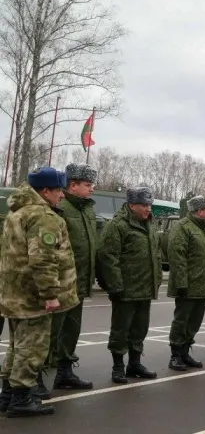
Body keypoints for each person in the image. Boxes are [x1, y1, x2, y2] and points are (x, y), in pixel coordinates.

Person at [0, 167, 78, 417]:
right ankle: (22, 398)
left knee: (16, 345)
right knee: (32, 347)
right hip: (33, 297)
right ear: (45, 191)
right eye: (58, 191)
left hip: (15, 294)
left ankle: (8, 395)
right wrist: (50, 294)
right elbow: (43, 259)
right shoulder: (43, 216)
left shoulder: (16, 212)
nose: (62, 196)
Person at [99, 186, 162, 384]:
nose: (148, 209)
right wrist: (115, 286)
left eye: (150, 205)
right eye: (144, 205)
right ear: (132, 205)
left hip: (145, 288)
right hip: (125, 289)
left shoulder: (150, 225)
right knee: (120, 330)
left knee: (139, 329)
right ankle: (118, 366)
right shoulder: (118, 225)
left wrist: (157, 279)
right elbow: (108, 257)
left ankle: (134, 363)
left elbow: (156, 254)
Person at [48, 163, 98, 392]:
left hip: (79, 282)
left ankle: (64, 372)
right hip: (60, 283)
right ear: (72, 185)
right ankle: (35, 380)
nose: (92, 189)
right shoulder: (60, 207)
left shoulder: (86, 209)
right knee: (50, 331)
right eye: (87, 185)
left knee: (71, 330)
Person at [166, 195, 205, 371]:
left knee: (195, 321)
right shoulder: (183, 227)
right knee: (182, 320)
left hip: (202, 285)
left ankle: (185, 352)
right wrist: (181, 283)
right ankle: (175, 355)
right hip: (187, 285)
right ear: (200, 211)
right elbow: (177, 256)